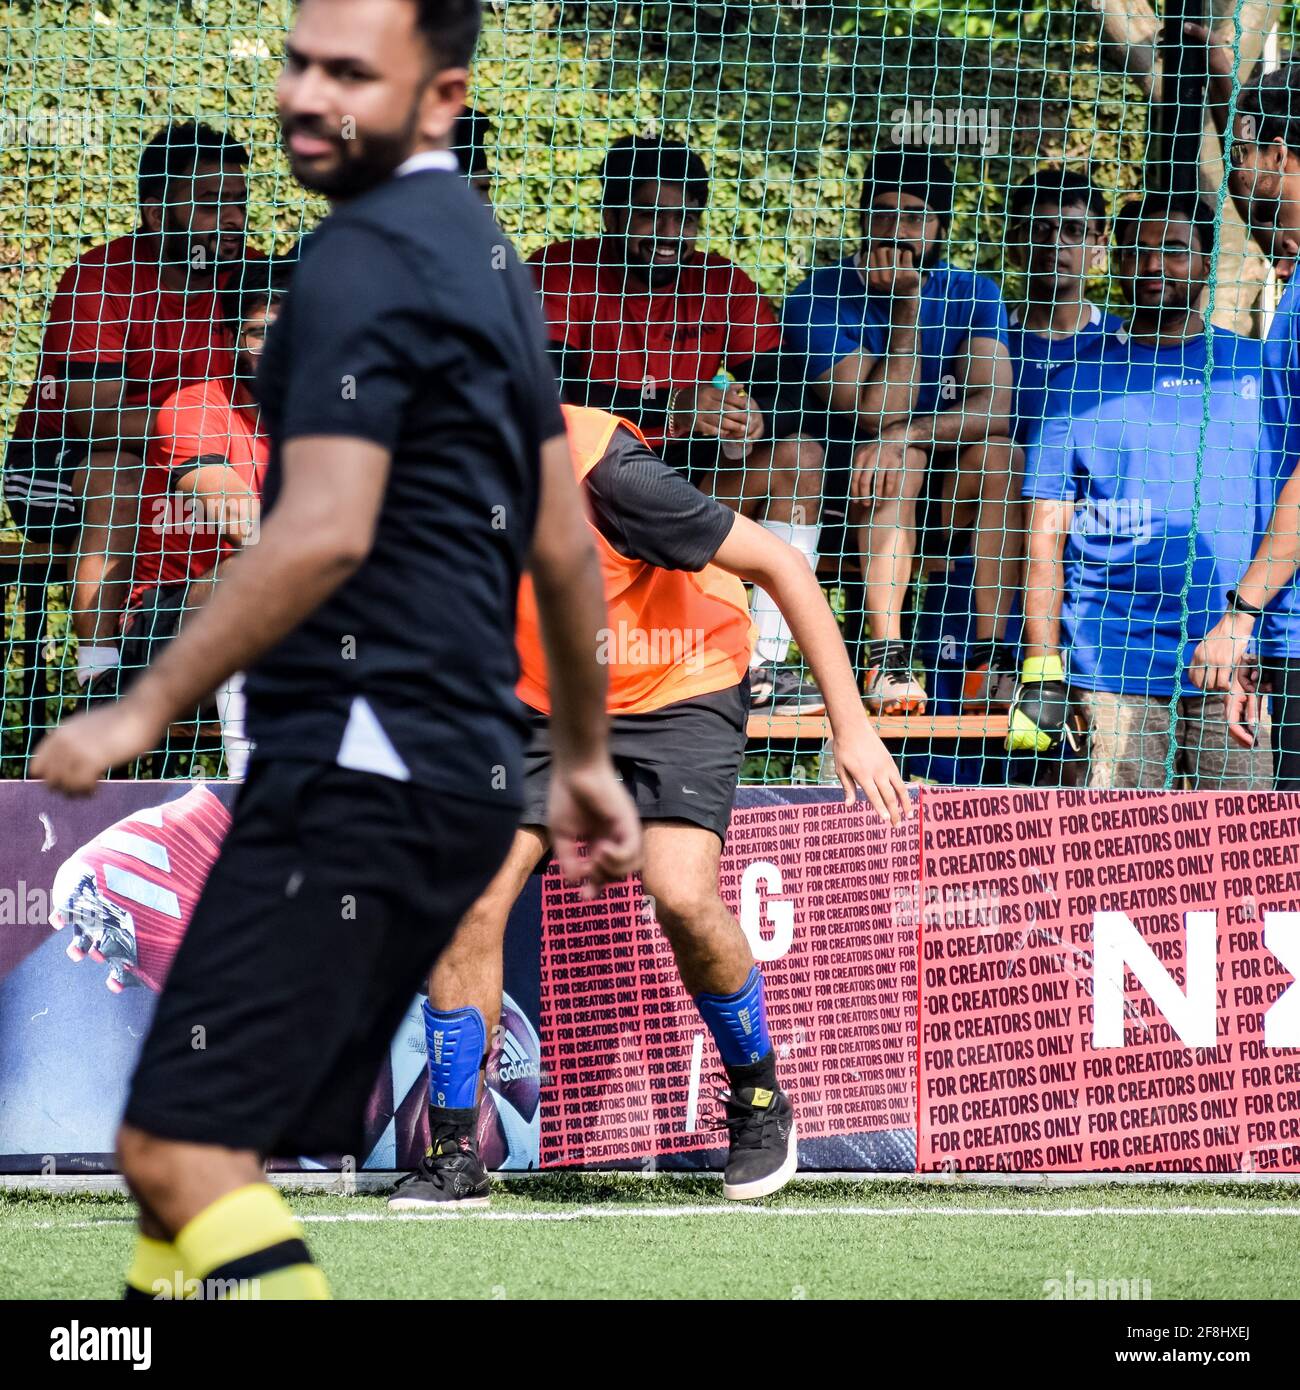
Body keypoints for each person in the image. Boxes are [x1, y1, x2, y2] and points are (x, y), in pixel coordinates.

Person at [31, 0, 640, 1302]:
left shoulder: (354, 260)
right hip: (453, 770)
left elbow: (315, 536)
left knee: (176, 1145)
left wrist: (138, 710)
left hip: (357, 768)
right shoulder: (485, 257)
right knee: (189, 1153)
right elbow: (562, 543)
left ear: (439, 96)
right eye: (302, 63)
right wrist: (580, 755)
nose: (309, 96)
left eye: (350, 73)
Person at [387, 401, 910, 1210]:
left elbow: (782, 564)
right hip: (543, 697)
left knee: (681, 893)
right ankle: (454, 1153)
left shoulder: (609, 473)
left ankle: (760, 1099)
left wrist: (853, 728)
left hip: (680, 676)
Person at [529, 134, 827, 715]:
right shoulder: (561, 269)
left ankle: (761, 666)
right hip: (588, 504)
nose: (669, 233)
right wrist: (674, 408)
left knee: (801, 455)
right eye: (651, 215)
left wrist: (754, 416)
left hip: (688, 496)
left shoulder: (722, 281)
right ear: (613, 215)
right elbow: (545, 395)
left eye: (684, 217)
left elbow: (794, 393)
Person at [1013, 192, 1273, 789]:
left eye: (1175, 251)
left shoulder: (1258, 372)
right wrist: (1042, 666)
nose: (1155, 265)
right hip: (1110, 665)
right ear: (1118, 262)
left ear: (1207, 262)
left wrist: (1266, 633)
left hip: (1234, 660)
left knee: (1248, 861)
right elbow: (1043, 538)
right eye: (1140, 251)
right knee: (1112, 863)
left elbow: (1290, 516)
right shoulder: (1075, 383)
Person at [4, 121, 255, 696]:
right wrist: (192, 432)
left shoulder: (252, 275)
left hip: (191, 460)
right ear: (154, 212)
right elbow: (94, 418)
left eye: (239, 201)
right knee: (119, 472)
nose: (234, 219)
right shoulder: (100, 279)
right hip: (59, 464)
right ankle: (99, 678)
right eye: (211, 204)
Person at [782, 147, 1017, 715]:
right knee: (898, 458)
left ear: (939, 228)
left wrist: (905, 436)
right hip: (839, 490)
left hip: (943, 491)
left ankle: (991, 662)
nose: (899, 230)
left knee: (1001, 455)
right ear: (864, 220)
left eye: (917, 216)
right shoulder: (819, 293)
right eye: (885, 213)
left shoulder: (973, 291)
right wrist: (908, 310)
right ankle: (886, 656)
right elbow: (872, 413)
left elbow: (995, 408)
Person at [111, 258, 293, 776]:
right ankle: (248, 789)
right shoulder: (195, 407)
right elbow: (245, 524)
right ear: (233, 339)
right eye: (258, 333)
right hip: (166, 629)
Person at [1185, 50, 1300, 784]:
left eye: (1243, 153)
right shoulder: (1293, 288)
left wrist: (1241, 613)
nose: (1235, 180)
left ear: (1279, 150)